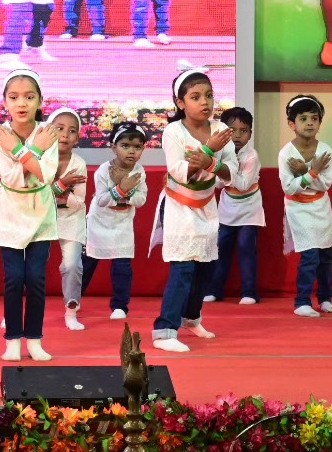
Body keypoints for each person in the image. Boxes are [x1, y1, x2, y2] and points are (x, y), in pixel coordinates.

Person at [149, 68, 237, 352]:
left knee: (206, 266)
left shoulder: (221, 130)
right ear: (180, 103)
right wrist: (209, 151)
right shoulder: (173, 131)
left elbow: (231, 174)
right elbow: (179, 172)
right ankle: (164, 331)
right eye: (196, 97)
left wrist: (210, 162)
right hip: (179, 207)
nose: (205, 102)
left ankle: (191, 317)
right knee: (183, 266)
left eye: (209, 95)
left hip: (207, 206)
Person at [0, 68, 60, 362]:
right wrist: (32, 153)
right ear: (5, 101)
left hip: (40, 210)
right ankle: (12, 340)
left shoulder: (48, 133)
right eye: (14, 97)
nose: (22, 103)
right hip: (10, 210)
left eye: (29, 97)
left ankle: (34, 339)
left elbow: (45, 176)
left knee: (36, 278)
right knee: (14, 278)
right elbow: (12, 179)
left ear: (40, 101)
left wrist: (19, 150)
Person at [280, 95, 332, 317]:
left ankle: (325, 298)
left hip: (321, 206)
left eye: (314, 118)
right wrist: (313, 172)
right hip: (298, 209)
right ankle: (302, 302)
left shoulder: (326, 151)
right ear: (292, 124)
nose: (310, 123)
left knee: (326, 255)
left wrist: (305, 173)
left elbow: (325, 184)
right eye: (303, 119)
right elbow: (289, 188)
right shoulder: (286, 153)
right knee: (310, 255)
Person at [83, 122, 148, 320]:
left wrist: (125, 190)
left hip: (122, 224)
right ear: (114, 147)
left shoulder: (139, 171)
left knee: (122, 266)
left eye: (137, 147)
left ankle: (120, 306)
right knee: (87, 263)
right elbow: (102, 200)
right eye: (125, 146)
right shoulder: (103, 171)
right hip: (99, 223)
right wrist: (121, 188)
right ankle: (74, 298)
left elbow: (141, 200)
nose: (132, 151)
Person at [205, 107, 263, 305]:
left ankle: (249, 292)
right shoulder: (221, 154)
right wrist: (222, 170)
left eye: (243, 131)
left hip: (249, 208)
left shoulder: (251, 156)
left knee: (246, 248)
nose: (238, 135)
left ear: (250, 134)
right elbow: (217, 183)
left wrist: (226, 171)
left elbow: (244, 184)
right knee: (221, 248)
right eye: (232, 130)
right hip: (227, 206)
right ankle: (215, 290)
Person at [47, 107, 89, 331]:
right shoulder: (39, 159)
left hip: (71, 218)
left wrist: (59, 192)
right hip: (41, 218)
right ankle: (16, 311)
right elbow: (37, 196)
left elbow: (79, 203)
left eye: (72, 131)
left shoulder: (78, 164)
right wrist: (62, 186)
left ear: (77, 138)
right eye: (60, 128)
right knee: (30, 267)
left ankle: (71, 311)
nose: (65, 135)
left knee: (73, 265)